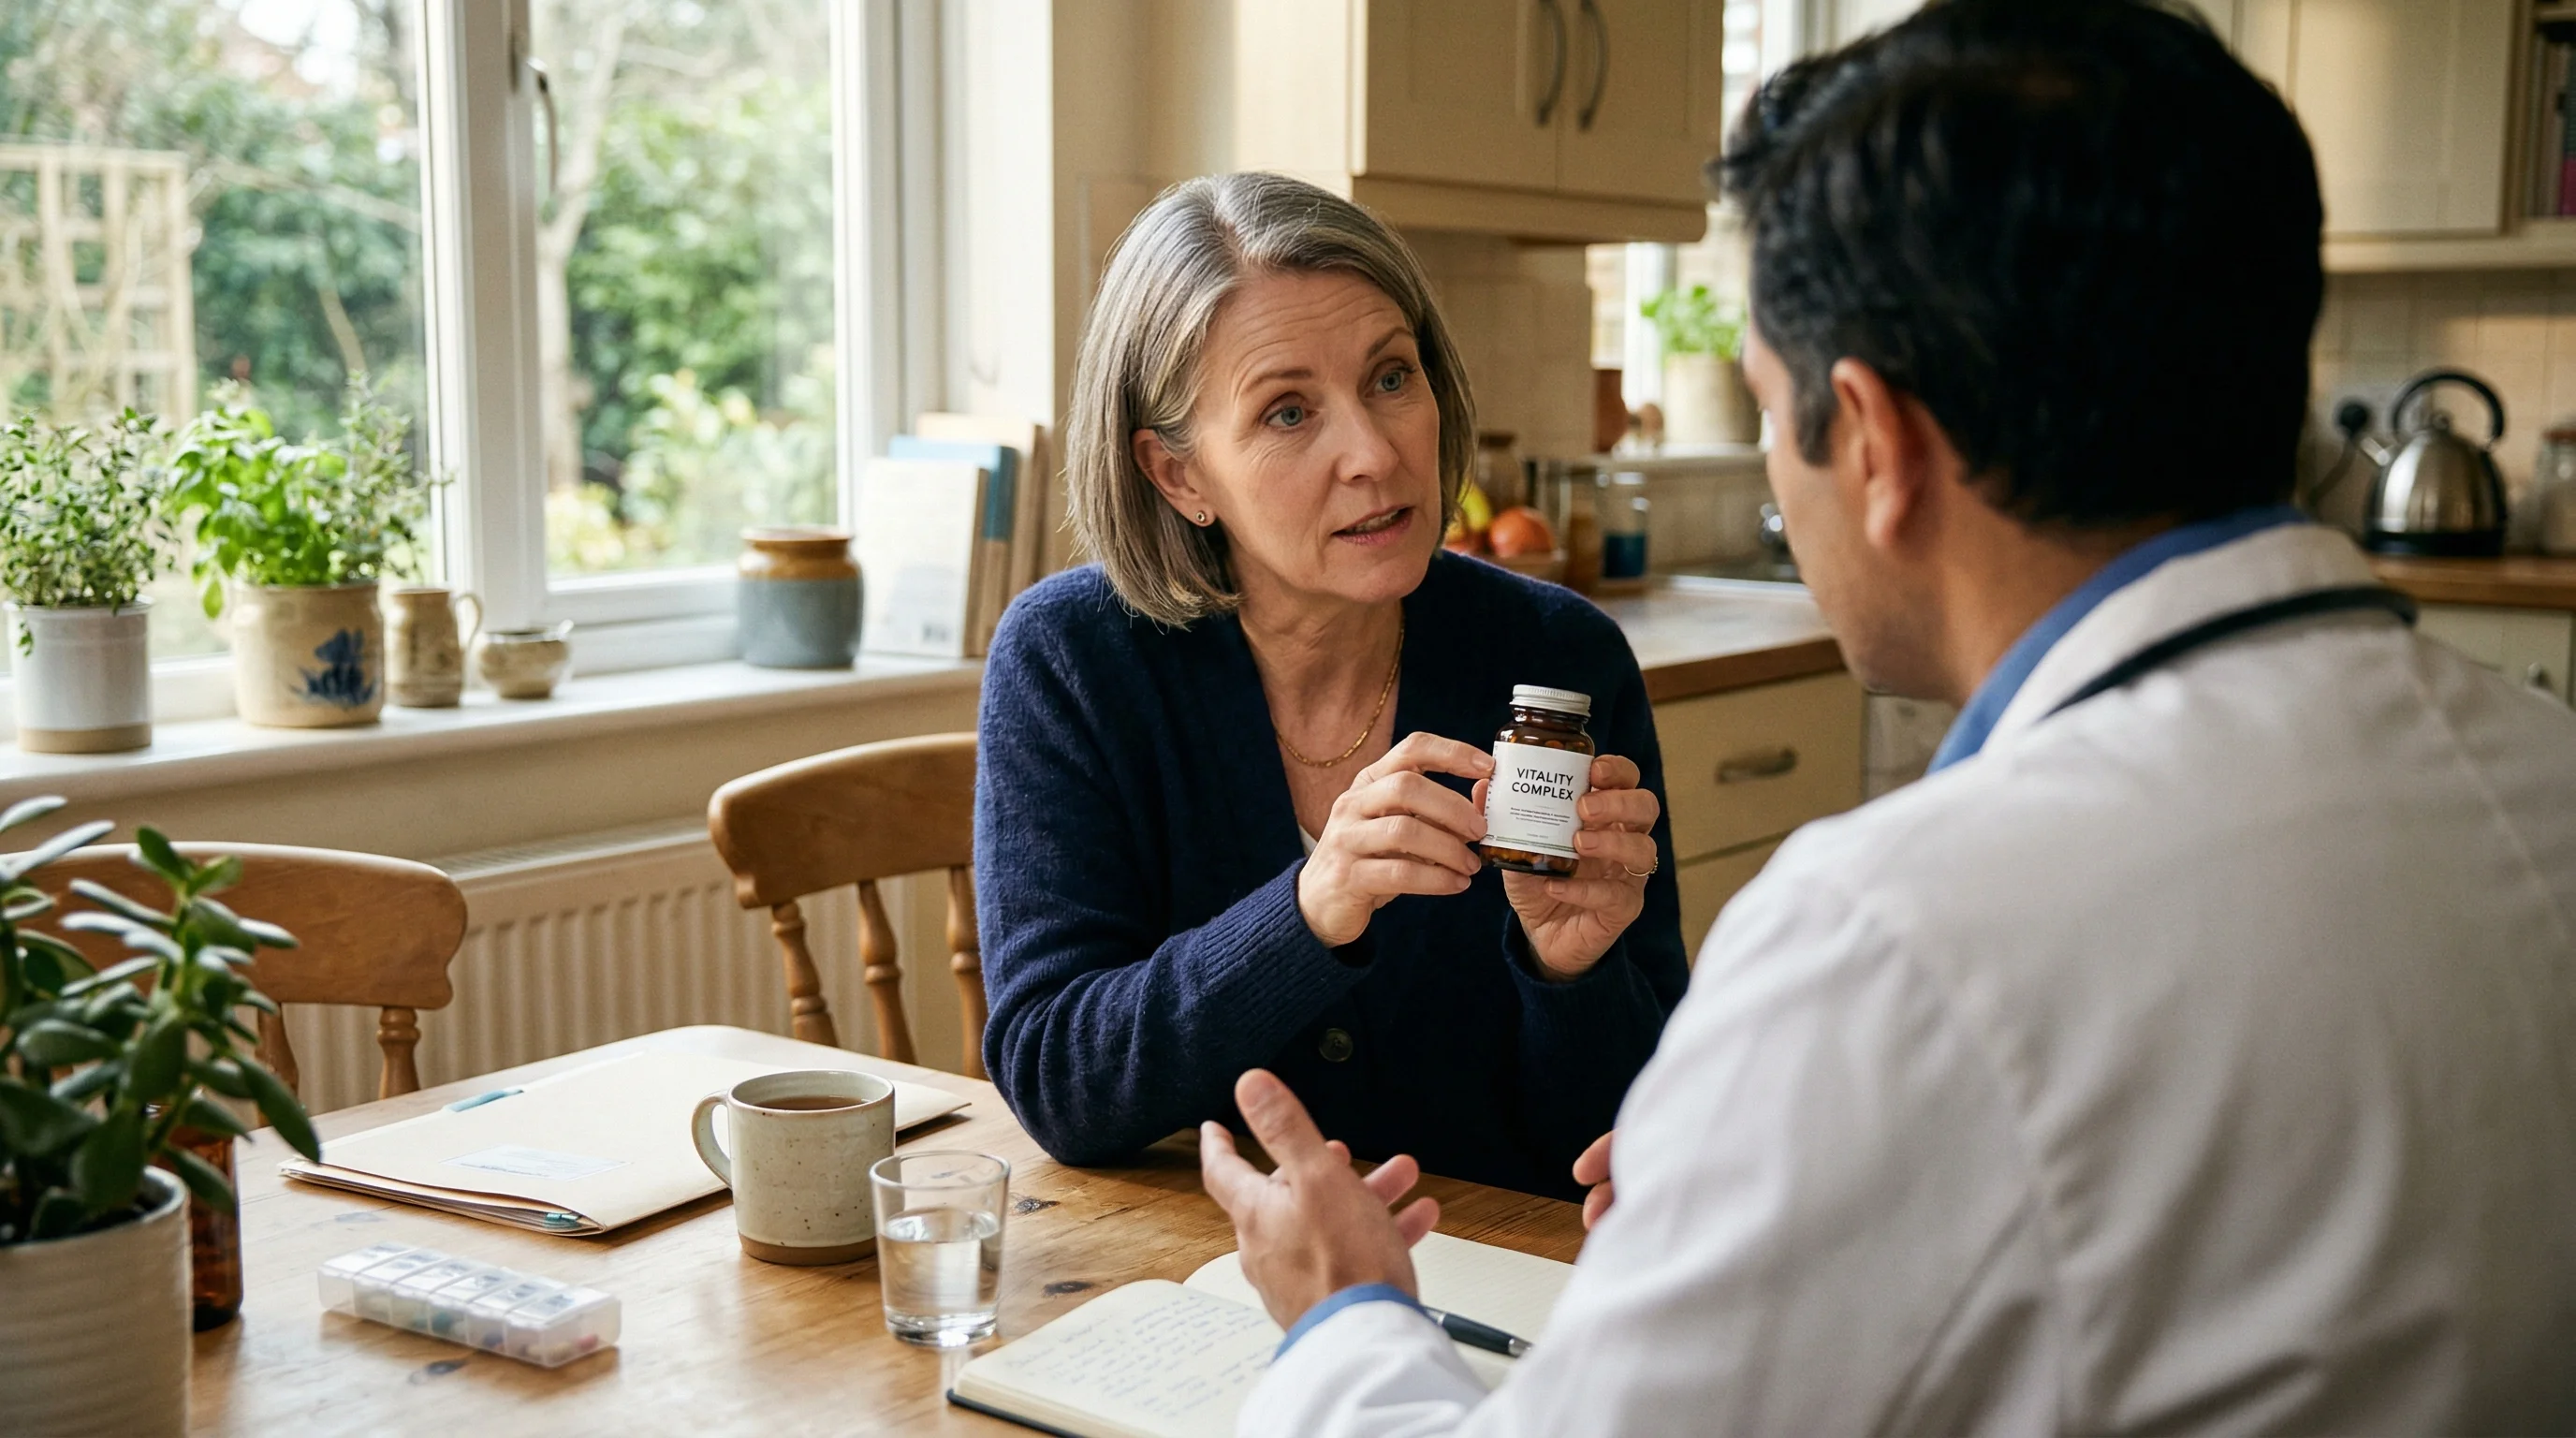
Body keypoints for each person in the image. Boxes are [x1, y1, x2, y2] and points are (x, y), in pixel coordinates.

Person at [1199, 1, 2576, 1431]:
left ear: (1873, 441)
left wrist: (1347, 1315)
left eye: (1773, 407)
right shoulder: (2551, 772)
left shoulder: (1892, 944)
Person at [973, 172, 1689, 1199]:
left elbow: (1634, 1141)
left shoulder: (1557, 663)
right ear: (1178, 476)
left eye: (1391, 377)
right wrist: (1311, 909)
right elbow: (1061, 1083)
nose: (1373, 452)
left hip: (1494, 1278)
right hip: (1184, 1279)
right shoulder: (1072, 661)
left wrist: (1571, 972)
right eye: (1288, 411)